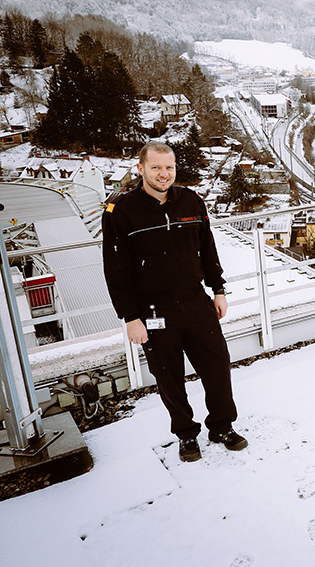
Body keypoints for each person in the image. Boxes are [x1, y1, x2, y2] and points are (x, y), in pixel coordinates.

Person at [102, 142, 247, 463]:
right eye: (155, 167)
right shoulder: (120, 211)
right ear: (140, 169)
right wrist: (130, 317)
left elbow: (208, 249)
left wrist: (218, 289)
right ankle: (186, 434)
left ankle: (222, 426)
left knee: (218, 366)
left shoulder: (191, 200)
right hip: (153, 311)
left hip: (196, 302)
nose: (163, 174)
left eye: (169, 167)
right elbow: (115, 269)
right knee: (169, 377)